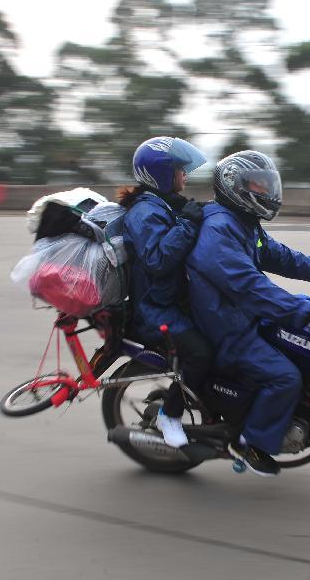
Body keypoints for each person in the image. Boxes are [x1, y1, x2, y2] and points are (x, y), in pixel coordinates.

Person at [186, 150, 310, 476]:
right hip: (226, 326)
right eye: (257, 185)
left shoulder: (242, 222)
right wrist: (307, 309)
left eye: (267, 186)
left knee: (307, 335)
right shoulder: (219, 229)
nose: (265, 192)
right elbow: (248, 286)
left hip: (243, 315)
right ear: (233, 186)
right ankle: (250, 443)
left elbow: (280, 257)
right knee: (285, 376)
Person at [120, 136, 215, 448]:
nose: (185, 176)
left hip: (173, 301)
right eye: (180, 170)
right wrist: (188, 223)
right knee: (202, 353)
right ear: (161, 174)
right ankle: (170, 416)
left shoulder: (162, 205)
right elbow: (158, 259)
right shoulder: (144, 212)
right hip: (155, 309)